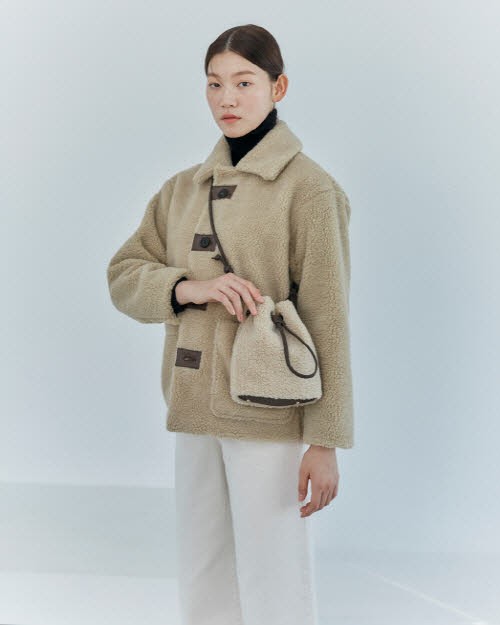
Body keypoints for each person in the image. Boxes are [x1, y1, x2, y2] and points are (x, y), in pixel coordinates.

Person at [106, 23, 354, 625]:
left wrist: (325, 442)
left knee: (274, 572)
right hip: (193, 407)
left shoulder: (310, 190)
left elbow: (329, 318)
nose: (227, 99)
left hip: (268, 409)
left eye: (244, 83)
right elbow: (123, 275)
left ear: (278, 87)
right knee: (203, 566)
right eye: (215, 84)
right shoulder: (182, 190)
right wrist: (187, 287)